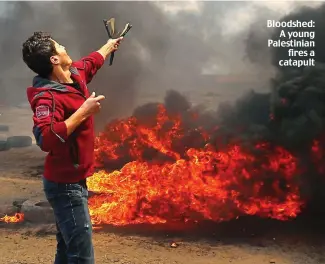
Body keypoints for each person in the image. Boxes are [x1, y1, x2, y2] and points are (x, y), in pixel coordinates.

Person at [22, 31, 123, 264]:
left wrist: (109, 45)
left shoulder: (73, 75)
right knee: (81, 256)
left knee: (67, 251)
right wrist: (83, 112)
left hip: (76, 180)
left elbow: (91, 62)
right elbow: (45, 139)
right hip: (64, 186)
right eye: (59, 46)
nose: (64, 46)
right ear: (54, 60)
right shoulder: (47, 97)